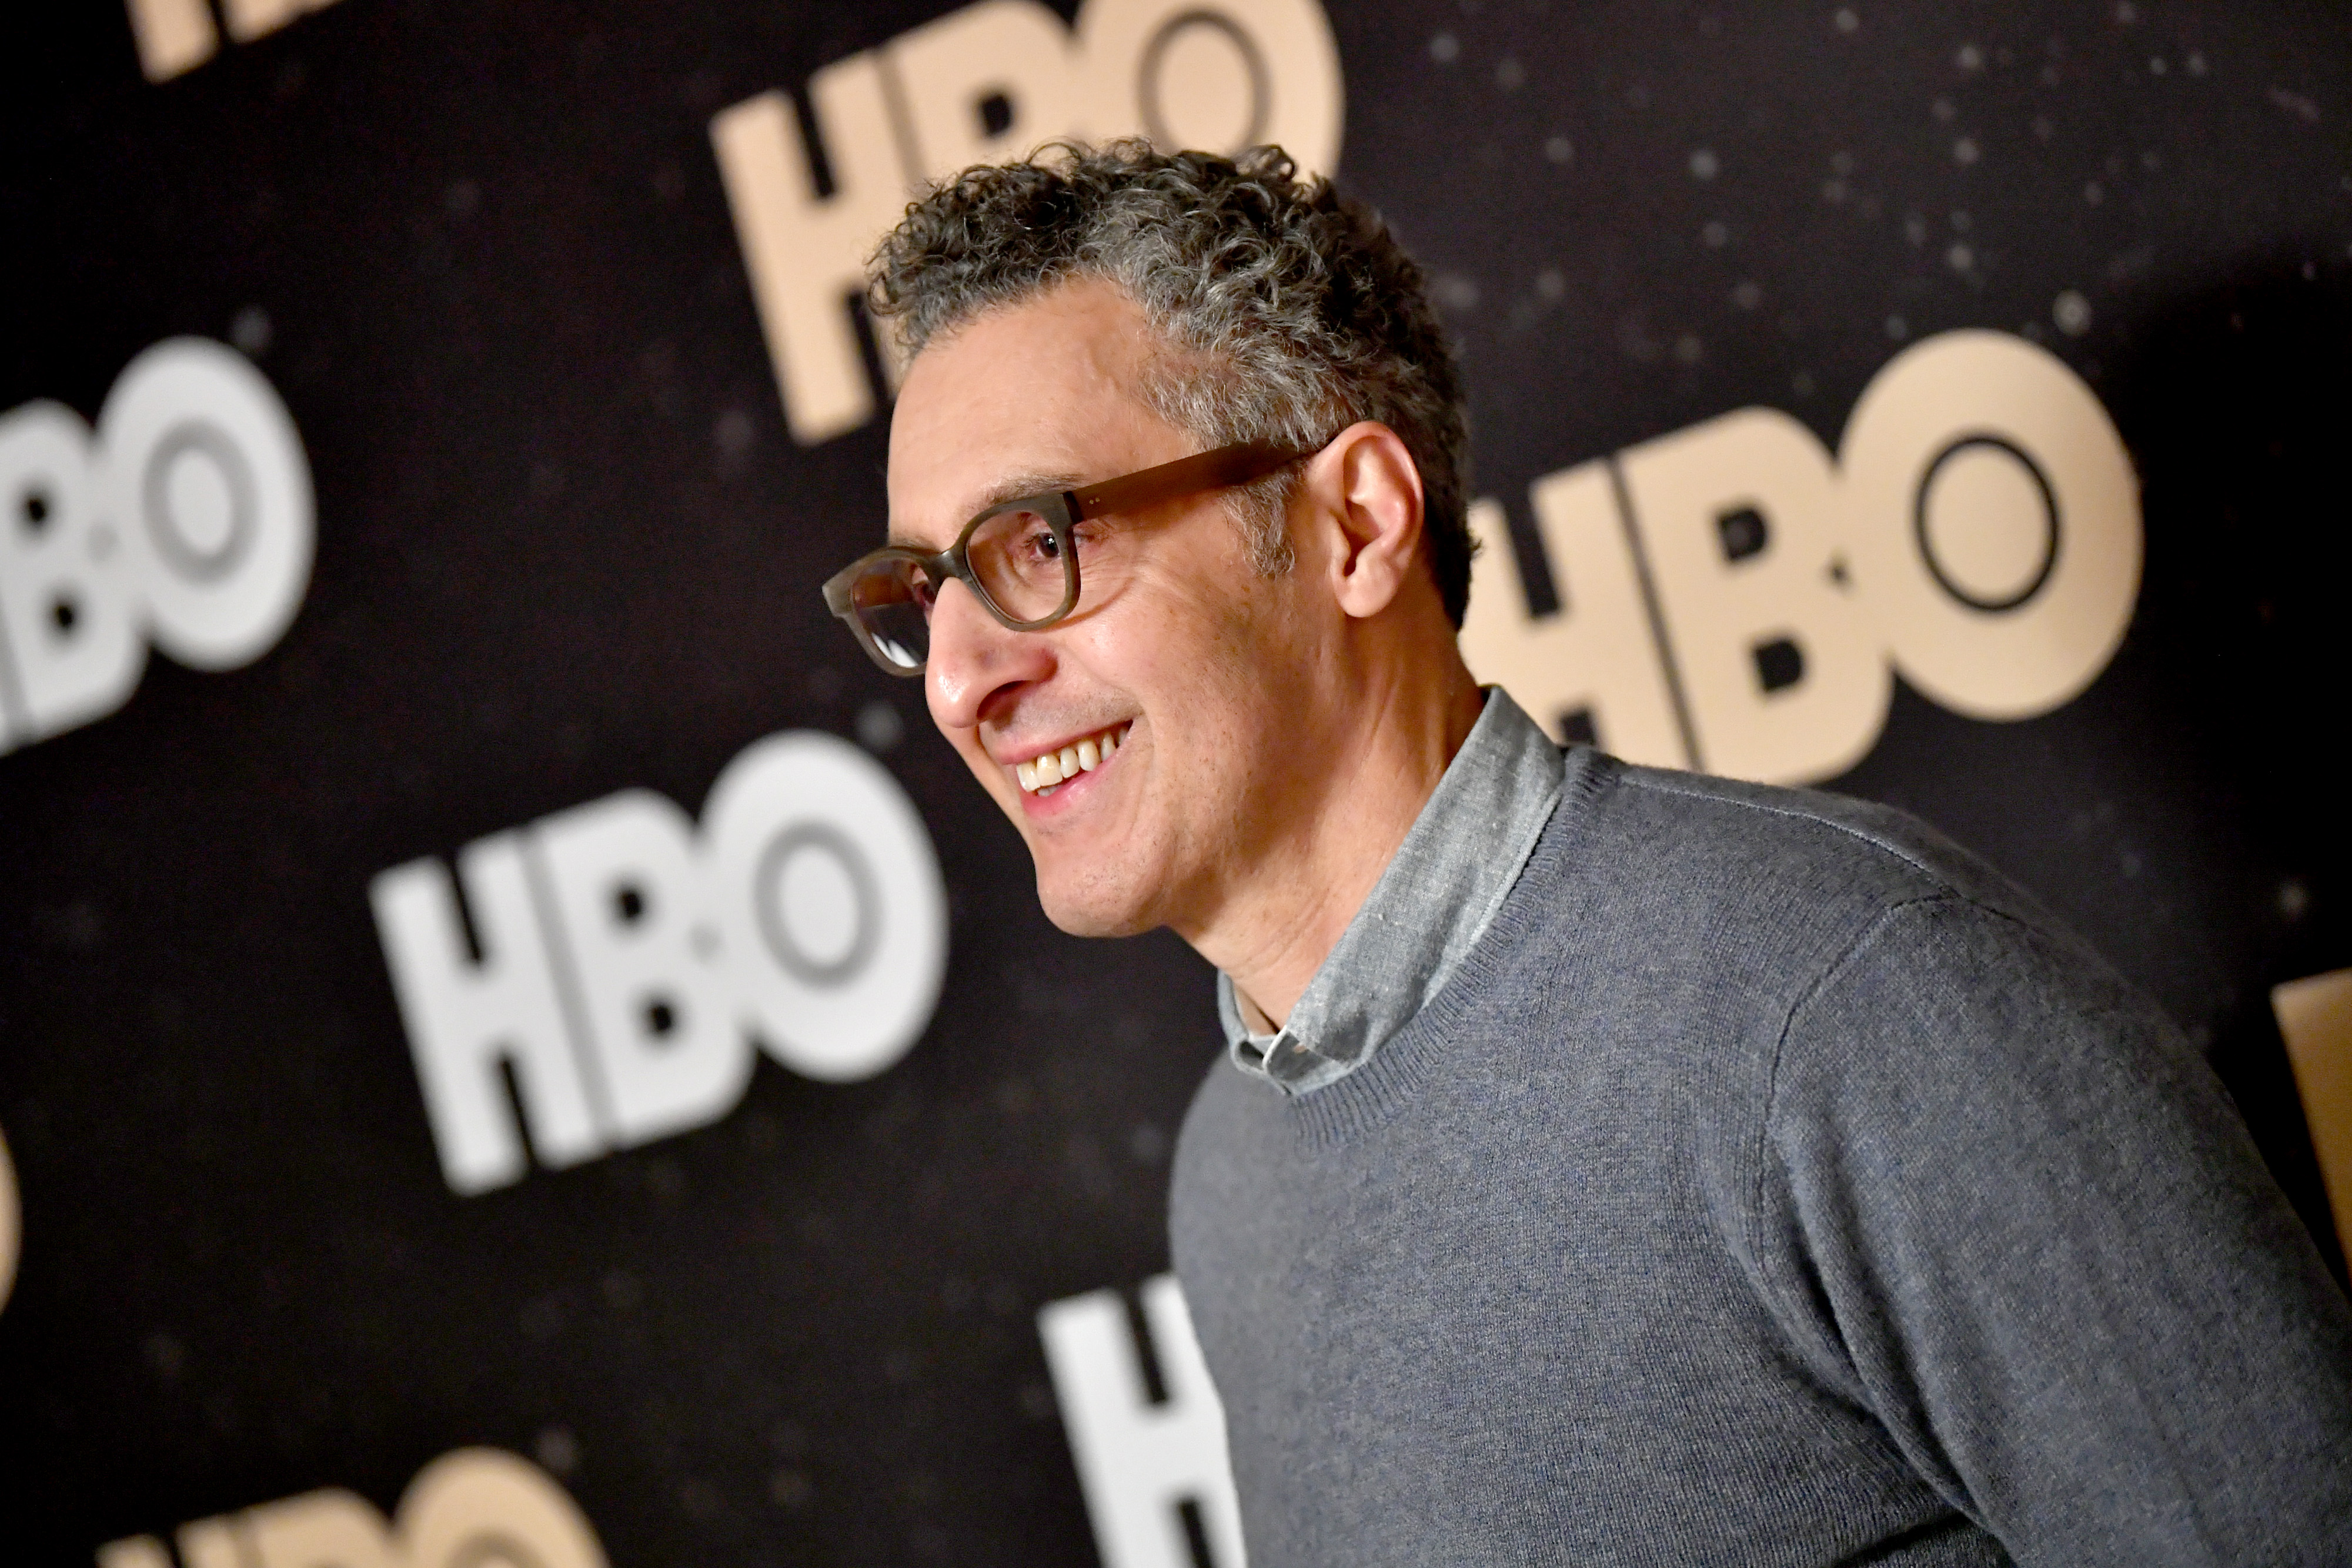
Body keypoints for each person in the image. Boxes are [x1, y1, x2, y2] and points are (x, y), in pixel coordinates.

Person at [823, 141, 2352, 1564]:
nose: (958, 680)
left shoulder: (1848, 1009)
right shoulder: (1233, 1168)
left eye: (1037, 546)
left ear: (1355, 523)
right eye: (919, 593)